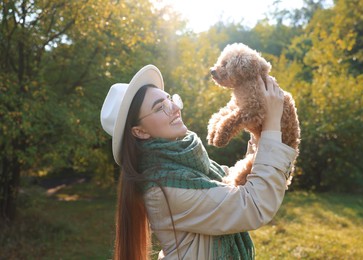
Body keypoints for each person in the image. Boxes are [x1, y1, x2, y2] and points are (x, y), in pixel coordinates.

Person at [100, 65, 297, 260]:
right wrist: (271, 122)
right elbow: (253, 204)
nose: (175, 108)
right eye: (160, 107)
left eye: (169, 99)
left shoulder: (182, 164)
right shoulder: (164, 188)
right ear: (140, 131)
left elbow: (233, 182)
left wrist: (260, 129)